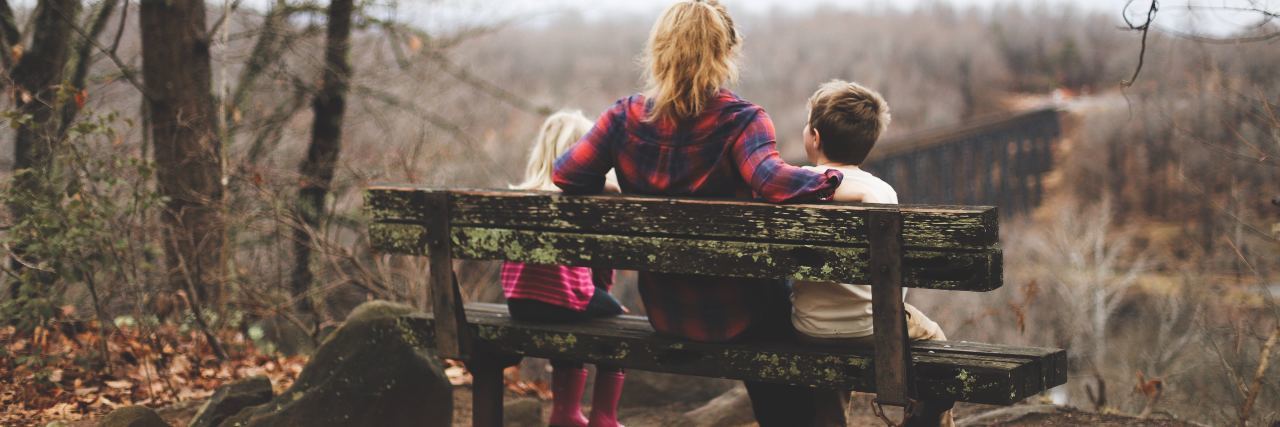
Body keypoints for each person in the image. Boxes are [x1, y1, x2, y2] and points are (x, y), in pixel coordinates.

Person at [552, 1, 843, 425]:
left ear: (660, 50)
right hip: (742, 315)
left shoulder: (623, 118)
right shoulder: (743, 120)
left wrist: (610, 186)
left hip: (667, 312)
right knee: (789, 323)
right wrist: (832, 178)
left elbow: (567, 174)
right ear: (726, 52)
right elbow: (772, 181)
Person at [790, 80, 954, 427]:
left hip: (808, 326)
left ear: (815, 137)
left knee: (828, 356)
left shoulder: (794, 186)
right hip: (873, 327)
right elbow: (893, 279)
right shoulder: (881, 193)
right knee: (935, 337)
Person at [504, 110, 626, 427]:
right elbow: (601, 268)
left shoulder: (519, 197)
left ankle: (566, 412)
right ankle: (604, 417)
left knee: (573, 316)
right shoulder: (584, 199)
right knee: (618, 323)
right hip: (564, 300)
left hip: (518, 303)